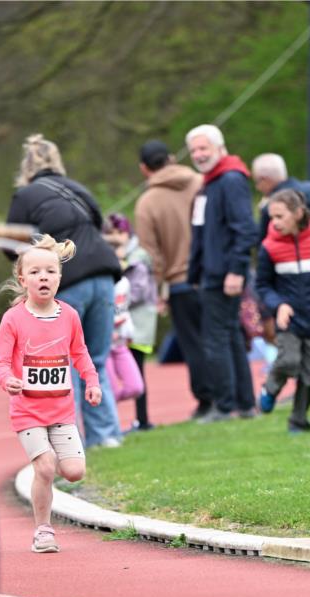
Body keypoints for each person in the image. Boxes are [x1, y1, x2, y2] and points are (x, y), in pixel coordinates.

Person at [6, 134, 122, 448]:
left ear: (26, 166)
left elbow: (15, 244)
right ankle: (107, 435)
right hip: (104, 276)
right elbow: (98, 228)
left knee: (59, 362)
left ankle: (67, 439)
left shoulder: (26, 196)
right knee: (94, 359)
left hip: (69, 280)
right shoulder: (79, 190)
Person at [0, 235, 102, 553]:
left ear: (59, 278)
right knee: (45, 466)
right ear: (23, 279)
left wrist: (92, 382)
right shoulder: (13, 319)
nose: (44, 277)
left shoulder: (69, 315)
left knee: (74, 471)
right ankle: (43, 530)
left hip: (61, 410)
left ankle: (48, 478)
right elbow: (0, 360)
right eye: (36, 272)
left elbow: (80, 353)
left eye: (51, 272)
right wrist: (7, 379)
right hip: (27, 410)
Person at [134, 139, 212, 418]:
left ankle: (207, 401)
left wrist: (156, 291)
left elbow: (149, 255)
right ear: (171, 158)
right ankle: (232, 396)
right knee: (219, 339)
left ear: (144, 169)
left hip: (179, 282)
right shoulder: (202, 182)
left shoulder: (147, 202)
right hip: (212, 275)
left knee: (193, 345)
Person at [187, 124, 258, 421]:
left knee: (217, 339)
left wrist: (236, 270)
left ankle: (225, 406)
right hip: (212, 273)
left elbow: (245, 229)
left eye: (204, 148)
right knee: (228, 336)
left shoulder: (230, 180)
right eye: (194, 151)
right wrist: (195, 273)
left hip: (225, 274)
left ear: (219, 147)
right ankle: (243, 404)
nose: (199, 155)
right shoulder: (211, 182)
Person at [255, 189, 310, 433]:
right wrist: (279, 305)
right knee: (289, 361)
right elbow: (262, 285)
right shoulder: (268, 248)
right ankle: (270, 388)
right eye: (271, 217)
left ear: (298, 213)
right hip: (288, 320)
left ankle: (298, 420)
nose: (274, 223)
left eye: (280, 216)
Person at [104, 212, 157, 429]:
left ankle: (143, 419)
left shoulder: (138, 257)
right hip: (117, 323)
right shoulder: (107, 255)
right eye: (111, 233)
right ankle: (111, 422)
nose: (117, 237)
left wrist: (119, 299)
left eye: (121, 232)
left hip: (138, 323)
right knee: (110, 375)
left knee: (137, 373)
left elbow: (140, 291)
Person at [251, 152, 310, 241]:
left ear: (265, 179)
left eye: (257, 182)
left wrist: (263, 211)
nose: (257, 188)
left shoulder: (271, 206)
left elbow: (261, 241)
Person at [104, 274, 145, 409]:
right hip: (103, 348)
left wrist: (128, 331)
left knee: (136, 387)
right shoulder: (99, 283)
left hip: (120, 344)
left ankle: (104, 403)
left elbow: (124, 310)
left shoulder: (124, 282)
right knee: (112, 393)